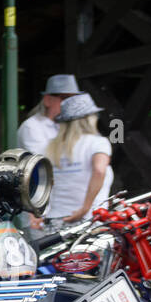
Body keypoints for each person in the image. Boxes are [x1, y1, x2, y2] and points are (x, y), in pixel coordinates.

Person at [44, 92, 112, 224]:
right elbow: (99, 171)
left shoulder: (50, 147)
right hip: (89, 221)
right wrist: (85, 208)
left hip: (55, 219)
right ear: (89, 118)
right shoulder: (97, 143)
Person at [18, 74, 80, 156]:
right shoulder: (31, 127)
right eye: (65, 98)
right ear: (47, 100)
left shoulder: (69, 124)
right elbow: (44, 161)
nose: (70, 103)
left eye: (73, 99)